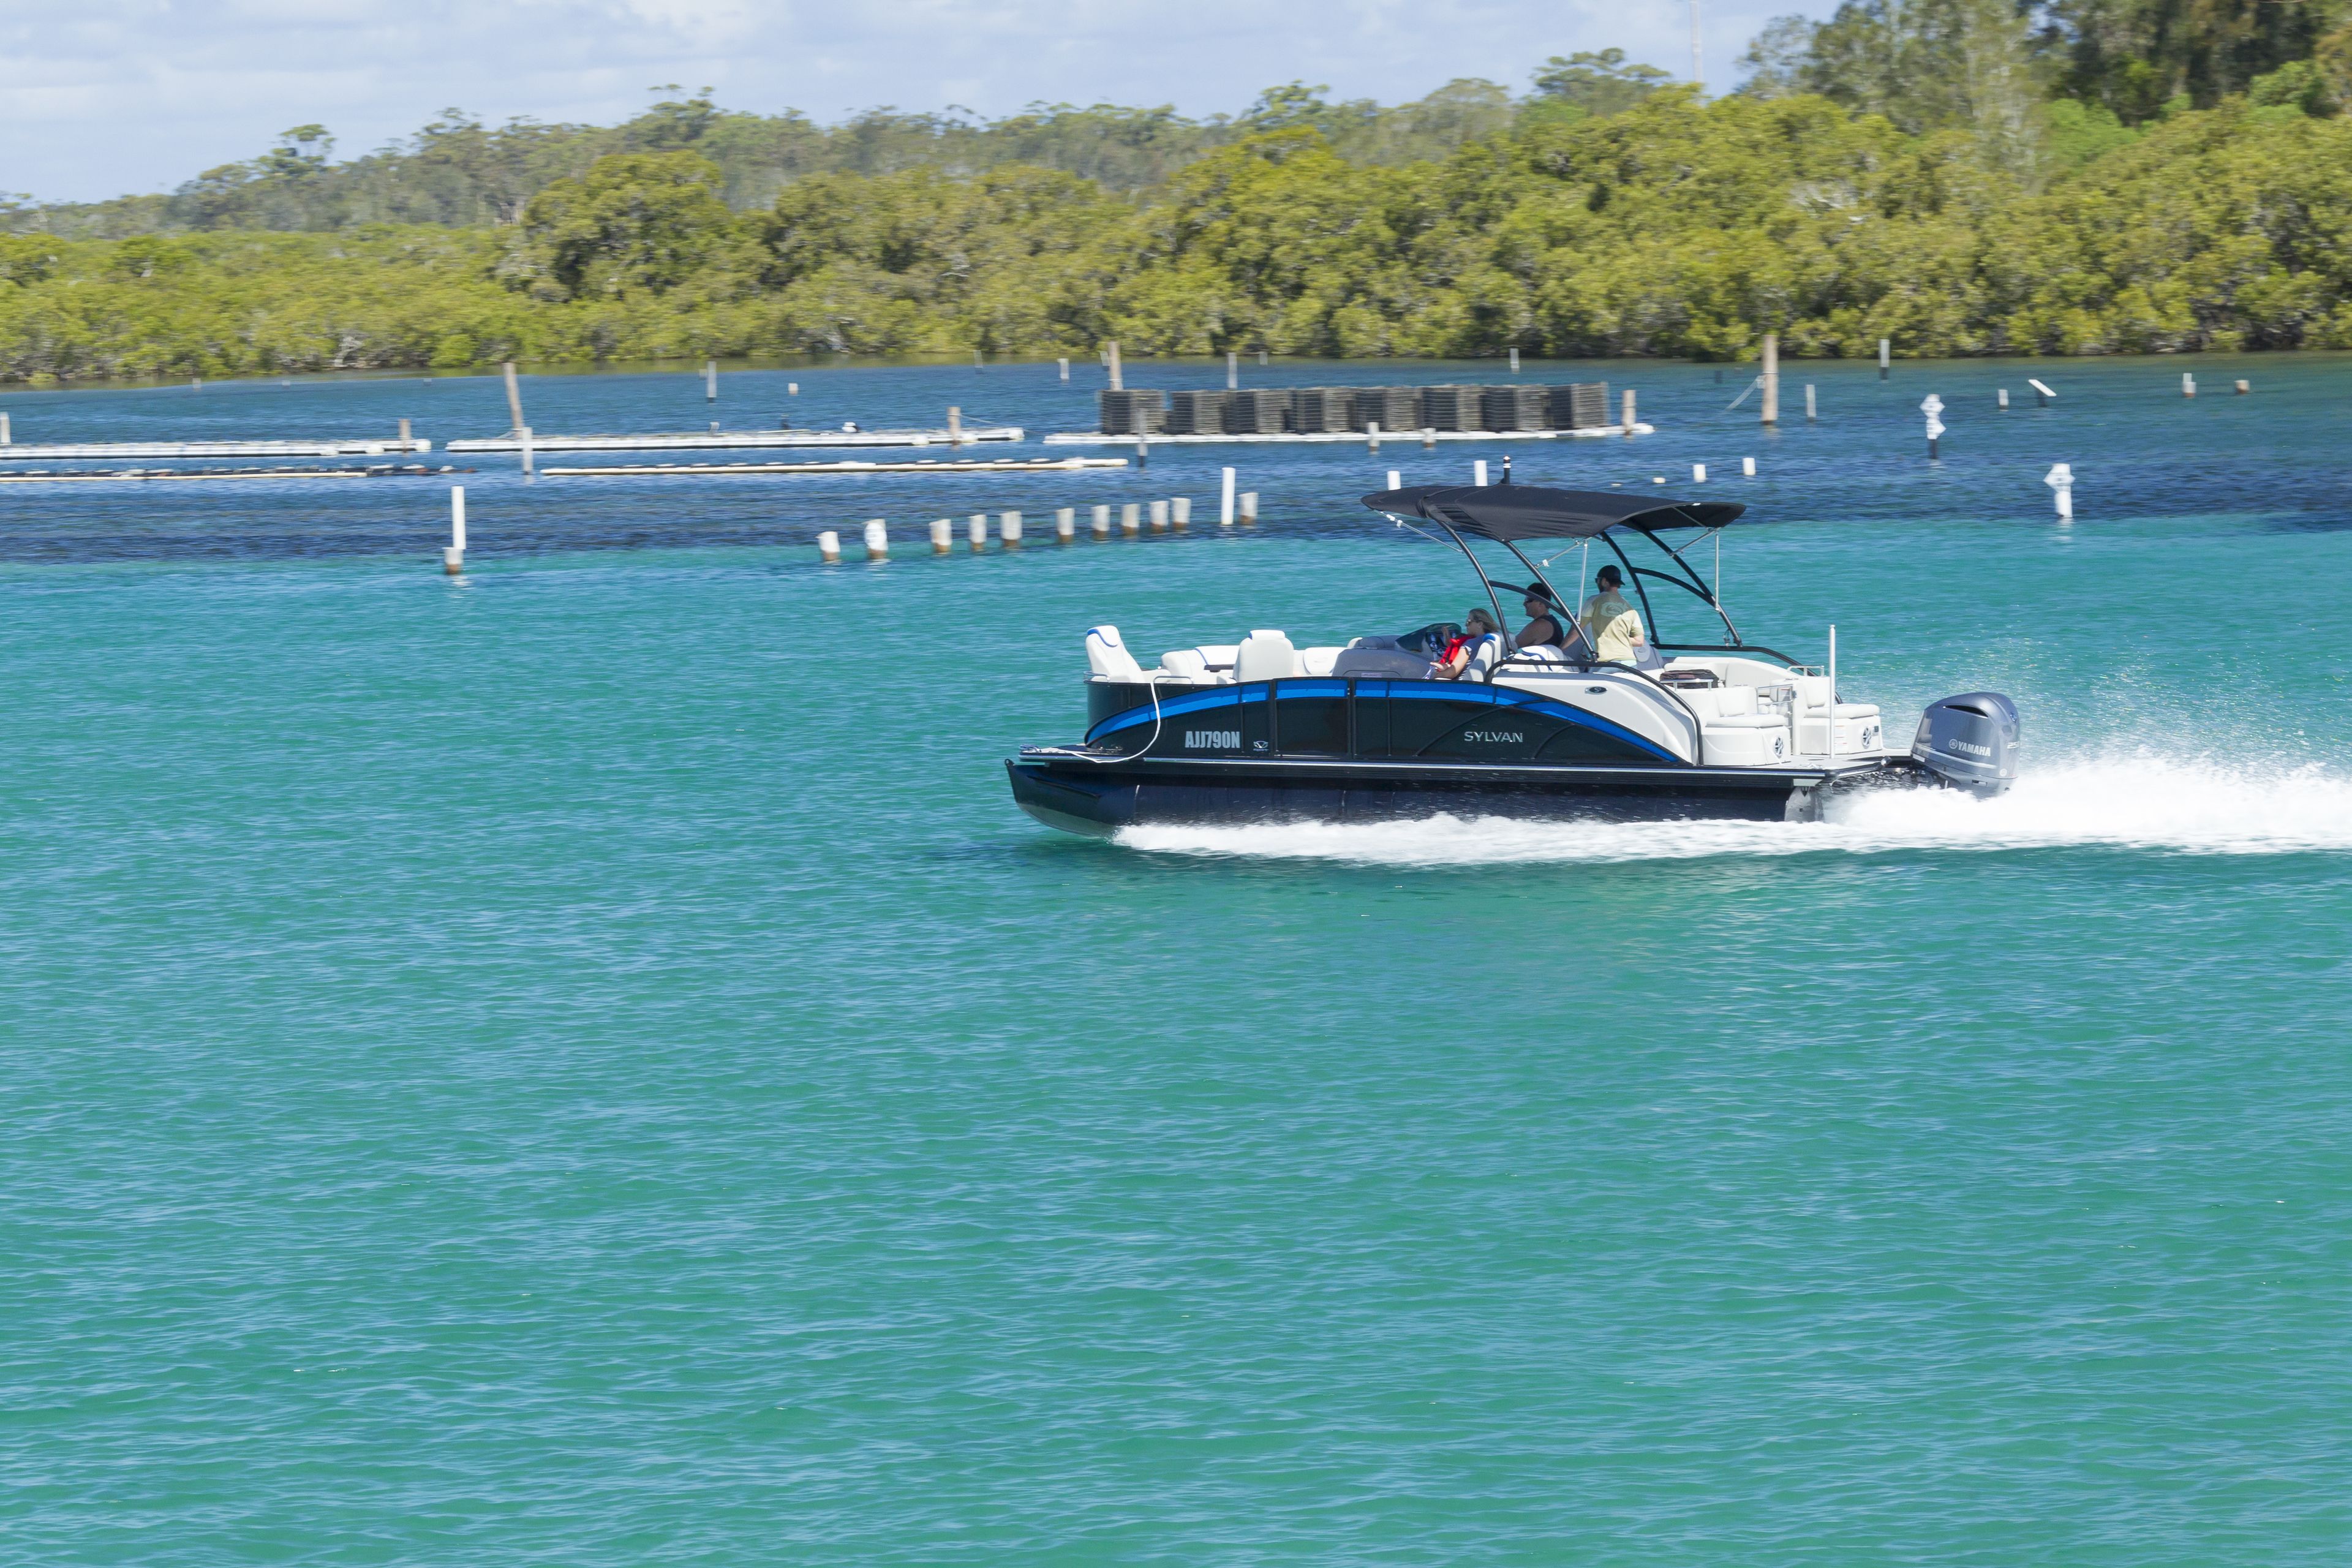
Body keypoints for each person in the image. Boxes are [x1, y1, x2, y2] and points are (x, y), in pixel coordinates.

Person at [1580, 566, 1648, 665]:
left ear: (1604, 581)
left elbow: (1577, 629)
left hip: (1607, 662)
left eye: (1597, 581)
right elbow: (1640, 642)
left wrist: (1562, 649)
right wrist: (1619, 637)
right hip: (1629, 662)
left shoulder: (1594, 601)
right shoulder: (1630, 608)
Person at [1434, 608, 1504, 680]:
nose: (1466, 625)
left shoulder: (1470, 644)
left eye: (1468, 622)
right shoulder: (1495, 639)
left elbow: (1452, 672)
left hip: (1462, 684)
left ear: (1480, 624)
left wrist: (1435, 676)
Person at [1510, 584, 1571, 652]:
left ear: (1541, 603)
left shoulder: (1540, 625)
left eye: (1528, 600)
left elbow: (1512, 646)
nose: (1524, 604)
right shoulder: (1552, 621)